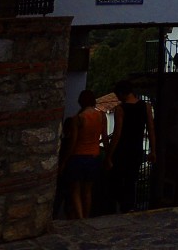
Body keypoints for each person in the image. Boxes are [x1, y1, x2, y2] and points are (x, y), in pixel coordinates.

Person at [105, 79, 157, 213]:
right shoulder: (146, 106)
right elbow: (151, 129)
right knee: (131, 180)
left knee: (117, 180)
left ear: (122, 93)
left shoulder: (121, 109)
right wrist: (153, 150)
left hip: (122, 149)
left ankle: (117, 207)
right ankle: (128, 207)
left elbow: (117, 133)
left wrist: (109, 155)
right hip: (137, 148)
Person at [60, 89, 108, 219]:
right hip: (94, 156)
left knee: (75, 190)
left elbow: (73, 141)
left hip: (78, 156)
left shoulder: (79, 118)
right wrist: (108, 156)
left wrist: (64, 160)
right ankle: (86, 216)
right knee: (87, 191)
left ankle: (80, 217)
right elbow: (104, 138)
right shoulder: (102, 116)